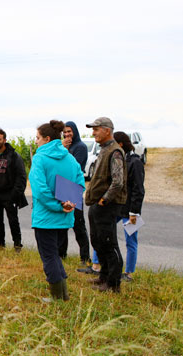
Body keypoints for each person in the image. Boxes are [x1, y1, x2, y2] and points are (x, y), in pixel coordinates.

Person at [29, 120, 84, 300]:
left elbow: (39, 190)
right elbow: (80, 183)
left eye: (37, 138)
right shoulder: (70, 158)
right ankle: (63, 293)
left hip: (46, 217)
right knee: (55, 254)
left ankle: (57, 297)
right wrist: (70, 204)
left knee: (49, 256)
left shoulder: (39, 158)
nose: (35, 141)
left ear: (47, 138)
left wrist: (58, 205)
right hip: (65, 217)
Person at [84, 117, 126, 293]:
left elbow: (118, 182)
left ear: (107, 130)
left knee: (109, 243)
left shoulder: (115, 151)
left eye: (96, 129)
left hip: (107, 205)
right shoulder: (104, 150)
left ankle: (113, 283)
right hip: (97, 204)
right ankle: (104, 276)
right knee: (98, 241)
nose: (93, 132)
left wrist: (104, 200)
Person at [113, 131, 145, 282]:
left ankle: (129, 273)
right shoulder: (118, 159)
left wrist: (135, 212)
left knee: (131, 241)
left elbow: (139, 189)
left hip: (130, 210)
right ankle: (97, 265)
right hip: (117, 206)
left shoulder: (136, 162)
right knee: (103, 230)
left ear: (120, 144)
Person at [60, 121, 91, 265]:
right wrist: (63, 148)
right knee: (62, 224)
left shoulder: (81, 147)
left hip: (74, 189)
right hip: (62, 187)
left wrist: (65, 151)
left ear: (75, 132)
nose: (67, 135)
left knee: (78, 224)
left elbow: (74, 168)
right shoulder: (63, 148)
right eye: (65, 132)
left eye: (69, 131)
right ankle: (61, 254)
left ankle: (85, 257)